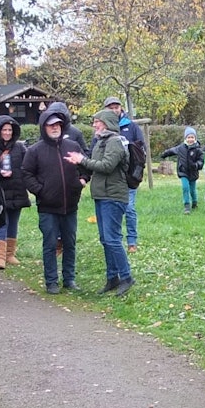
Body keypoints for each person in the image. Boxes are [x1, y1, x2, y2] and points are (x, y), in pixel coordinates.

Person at [21, 103, 87, 294]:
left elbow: (85, 166)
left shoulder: (73, 146)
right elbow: (26, 174)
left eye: (57, 124)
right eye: (51, 125)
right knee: (50, 245)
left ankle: (69, 279)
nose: (55, 127)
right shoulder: (35, 151)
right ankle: (51, 281)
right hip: (48, 207)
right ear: (44, 127)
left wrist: (82, 180)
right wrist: (40, 191)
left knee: (70, 243)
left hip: (70, 205)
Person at [87, 108, 134, 296]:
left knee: (113, 239)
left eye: (96, 121)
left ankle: (126, 277)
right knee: (105, 240)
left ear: (105, 123)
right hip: (101, 195)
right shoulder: (101, 142)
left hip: (113, 197)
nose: (94, 125)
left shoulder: (115, 141)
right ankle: (112, 277)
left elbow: (106, 166)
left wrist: (81, 160)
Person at [0, 115, 29, 269]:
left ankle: (10, 254)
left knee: (13, 223)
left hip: (17, 190)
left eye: (10, 130)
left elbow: (27, 166)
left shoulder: (19, 148)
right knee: (0, 222)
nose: (7, 132)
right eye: (4, 129)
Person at [103, 95, 144, 251]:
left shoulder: (131, 126)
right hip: (111, 176)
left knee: (130, 208)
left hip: (129, 176)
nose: (114, 110)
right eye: (111, 107)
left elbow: (141, 149)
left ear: (121, 108)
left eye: (116, 107)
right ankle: (115, 240)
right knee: (114, 209)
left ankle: (132, 241)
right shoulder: (103, 127)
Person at [160, 126, 204, 213]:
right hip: (183, 171)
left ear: (195, 138)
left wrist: (196, 165)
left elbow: (201, 161)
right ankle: (187, 205)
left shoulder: (198, 149)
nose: (190, 139)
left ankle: (194, 202)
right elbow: (171, 151)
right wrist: (164, 154)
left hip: (193, 172)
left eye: (192, 137)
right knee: (185, 188)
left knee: (192, 190)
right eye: (188, 137)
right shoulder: (181, 148)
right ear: (185, 138)